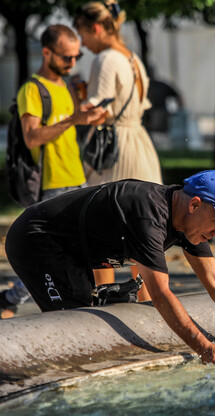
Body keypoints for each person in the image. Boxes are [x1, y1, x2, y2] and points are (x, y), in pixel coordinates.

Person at [5, 170, 215, 365]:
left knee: (89, 319)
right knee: (72, 324)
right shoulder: (147, 214)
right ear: (195, 204)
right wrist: (203, 347)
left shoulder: (188, 222)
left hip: (73, 250)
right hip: (37, 240)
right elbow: (161, 294)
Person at [0, 24, 106, 319]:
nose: (73, 63)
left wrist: (87, 115)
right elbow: (32, 137)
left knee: (80, 251)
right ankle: (13, 299)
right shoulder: (32, 89)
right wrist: (74, 118)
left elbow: (72, 132)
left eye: (77, 56)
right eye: (66, 57)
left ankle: (19, 299)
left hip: (77, 178)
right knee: (49, 254)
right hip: (51, 184)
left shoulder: (67, 86)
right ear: (47, 52)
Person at [73, 1, 163, 299]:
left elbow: (97, 110)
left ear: (96, 28)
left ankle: (104, 300)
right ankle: (150, 304)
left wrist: (76, 99)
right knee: (144, 229)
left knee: (99, 227)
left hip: (117, 149)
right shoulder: (132, 58)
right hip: (140, 142)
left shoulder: (106, 59)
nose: (82, 43)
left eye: (82, 34)